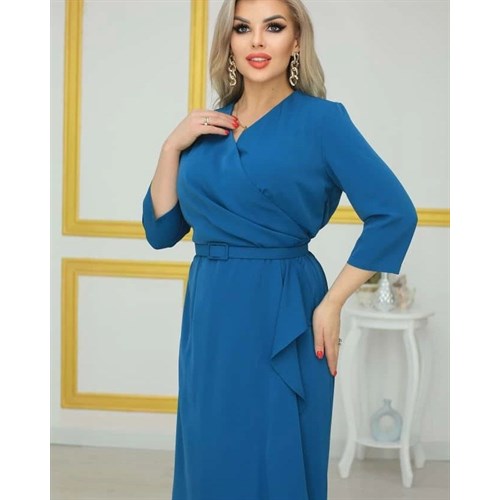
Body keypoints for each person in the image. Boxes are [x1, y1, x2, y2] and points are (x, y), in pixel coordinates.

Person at [142, 0, 418, 498]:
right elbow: (162, 232)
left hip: (283, 306)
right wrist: (170, 147)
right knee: (210, 452)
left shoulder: (323, 122)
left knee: (275, 452)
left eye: (273, 27)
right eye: (242, 28)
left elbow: (394, 214)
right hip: (211, 312)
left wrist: (333, 302)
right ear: (229, 41)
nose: (257, 40)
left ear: (296, 40)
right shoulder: (206, 127)